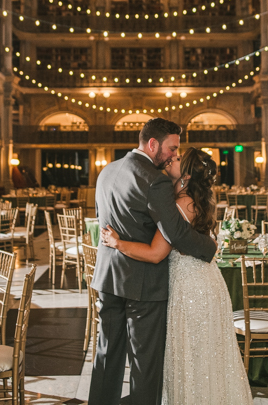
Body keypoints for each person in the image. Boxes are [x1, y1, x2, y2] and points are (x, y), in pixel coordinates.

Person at [101, 147, 253, 404]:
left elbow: (155, 253)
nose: (173, 157)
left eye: (179, 158)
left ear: (186, 178)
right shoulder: (189, 201)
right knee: (204, 359)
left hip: (191, 291)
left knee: (191, 358)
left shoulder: (181, 205)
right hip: (204, 284)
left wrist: (118, 244)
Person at [88, 119, 218, 405]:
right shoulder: (154, 179)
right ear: (153, 144)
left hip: (108, 278)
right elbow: (177, 232)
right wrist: (209, 247)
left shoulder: (106, 171)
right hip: (143, 284)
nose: (173, 154)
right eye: (172, 148)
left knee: (107, 354)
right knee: (145, 364)